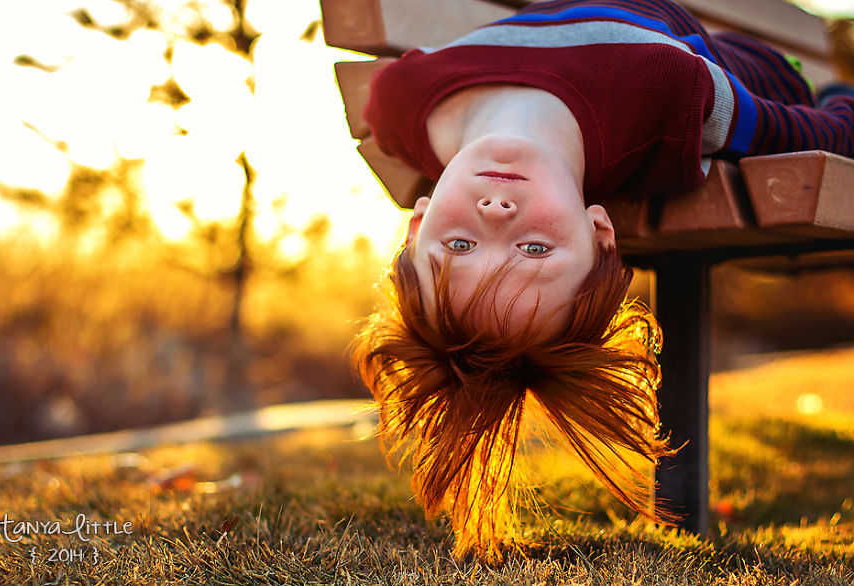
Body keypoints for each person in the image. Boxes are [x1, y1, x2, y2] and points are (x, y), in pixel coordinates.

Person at [350, 0, 854, 559]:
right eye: (534, 249)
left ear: (417, 225)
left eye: (459, 246)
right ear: (599, 233)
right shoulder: (670, 95)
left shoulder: (396, 105)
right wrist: (838, 92)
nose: (494, 211)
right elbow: (828, 133)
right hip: (758, 63)